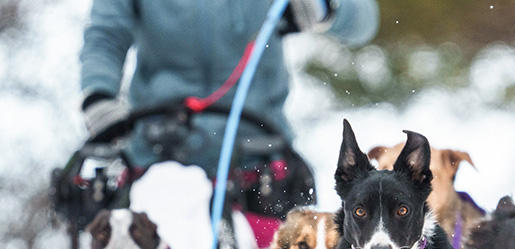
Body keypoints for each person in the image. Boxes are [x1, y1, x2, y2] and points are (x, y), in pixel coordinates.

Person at [79, 0, 379, 176]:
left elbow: (364, 21)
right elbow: (105, 34)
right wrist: (98, 95)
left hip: (260, 159)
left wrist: (328, 8)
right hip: (156, 157)